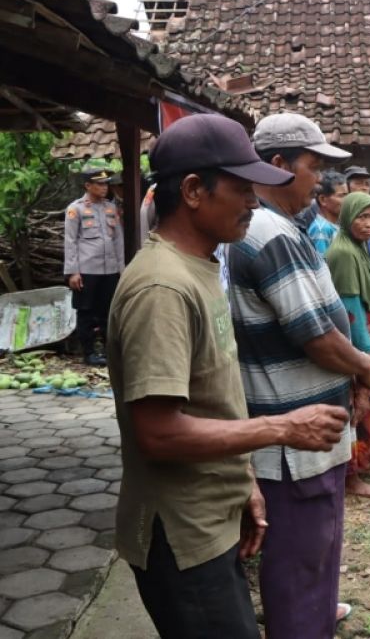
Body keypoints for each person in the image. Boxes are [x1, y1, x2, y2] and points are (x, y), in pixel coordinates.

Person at [107, 113, 349, 639]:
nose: (253, 202)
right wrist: (282, 428)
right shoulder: (163, 289)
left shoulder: (202, 268)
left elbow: (211, 398)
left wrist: (242, 482)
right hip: (181, 533)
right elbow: (158, 432)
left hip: (211, 518)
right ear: (194, 191)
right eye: (241, 189)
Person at [226, 112, 370, 639]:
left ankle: (315, 617)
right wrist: (364, 367)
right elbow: (313, 334)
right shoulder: (268, 232)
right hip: (293, 445)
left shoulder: (278, 226)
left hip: (305, 435)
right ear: (277, 166)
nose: (320, 181)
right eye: (314, 167)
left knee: (314, 558)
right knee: (299, 566)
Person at [326, 192, 370, 498]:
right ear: (347, 217)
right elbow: (351, 309)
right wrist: (364, 354)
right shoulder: (343, 253)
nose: (368, 224)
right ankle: (350, 477)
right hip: (363, 340)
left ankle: (362, 467)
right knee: (359, 402)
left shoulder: (358, 248)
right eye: (361, 217)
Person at [64, 163, 125, 366]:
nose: (104, 187)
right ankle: (89, 352)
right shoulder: (76, 209)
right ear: (87, 186)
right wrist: (73, 272)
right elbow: (70, 240)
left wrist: (121, 268)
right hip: (87, 271)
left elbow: (118, 239)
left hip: (110, 271)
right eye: (99, 184)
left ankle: (110, 352)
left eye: (106, 184)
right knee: (87, 312)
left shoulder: (111, 208)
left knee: (109, 312)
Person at [307, 170, 348, 255]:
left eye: (347, 195)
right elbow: (323, 264)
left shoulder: (335, 225)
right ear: (323, 200)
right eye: (341, 196)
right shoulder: (321, 229)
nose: (347, 200)